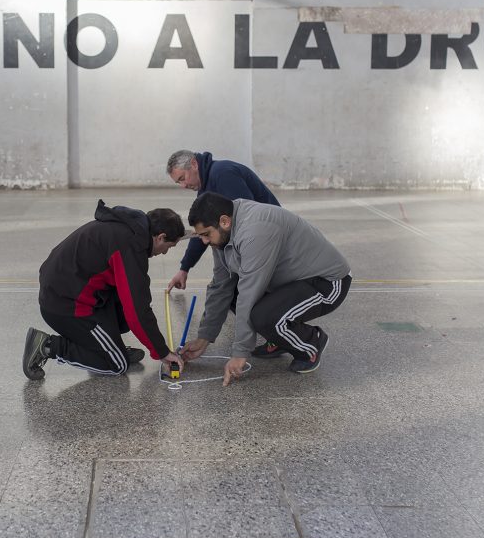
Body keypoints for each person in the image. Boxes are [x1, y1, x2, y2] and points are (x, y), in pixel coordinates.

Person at [180, 192, 351, 386]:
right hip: (289, 281)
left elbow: (249, 292)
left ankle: (311, 343)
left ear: (225, 221)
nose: (204, 241)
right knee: (234, 297)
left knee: (264, 317)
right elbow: (221, 285)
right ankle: (280, 338)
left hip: (326, 282)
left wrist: (240, 353)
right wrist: (204, 337)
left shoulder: (256, 230)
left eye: (206, 234)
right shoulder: (223, 234)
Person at [23, 200, 186, 380]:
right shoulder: (130, 244)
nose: (164, 253)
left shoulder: (129, 227)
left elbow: (138, 293)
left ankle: (108, 347)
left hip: (67, 291)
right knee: (117, 364)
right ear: (160, 237)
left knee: (131, 302)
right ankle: (47, 346)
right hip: (66, 306)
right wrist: (162, 352)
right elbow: (137, 309)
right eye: (169, 247)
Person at [165, 150, 280, 294]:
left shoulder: (223, 174)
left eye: (182, 178)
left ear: (194, 164)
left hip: (270, 234)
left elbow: (247, 218)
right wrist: (184, 269)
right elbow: (202, 231)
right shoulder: (205, 188)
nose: (183, 185)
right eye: (178, 182)